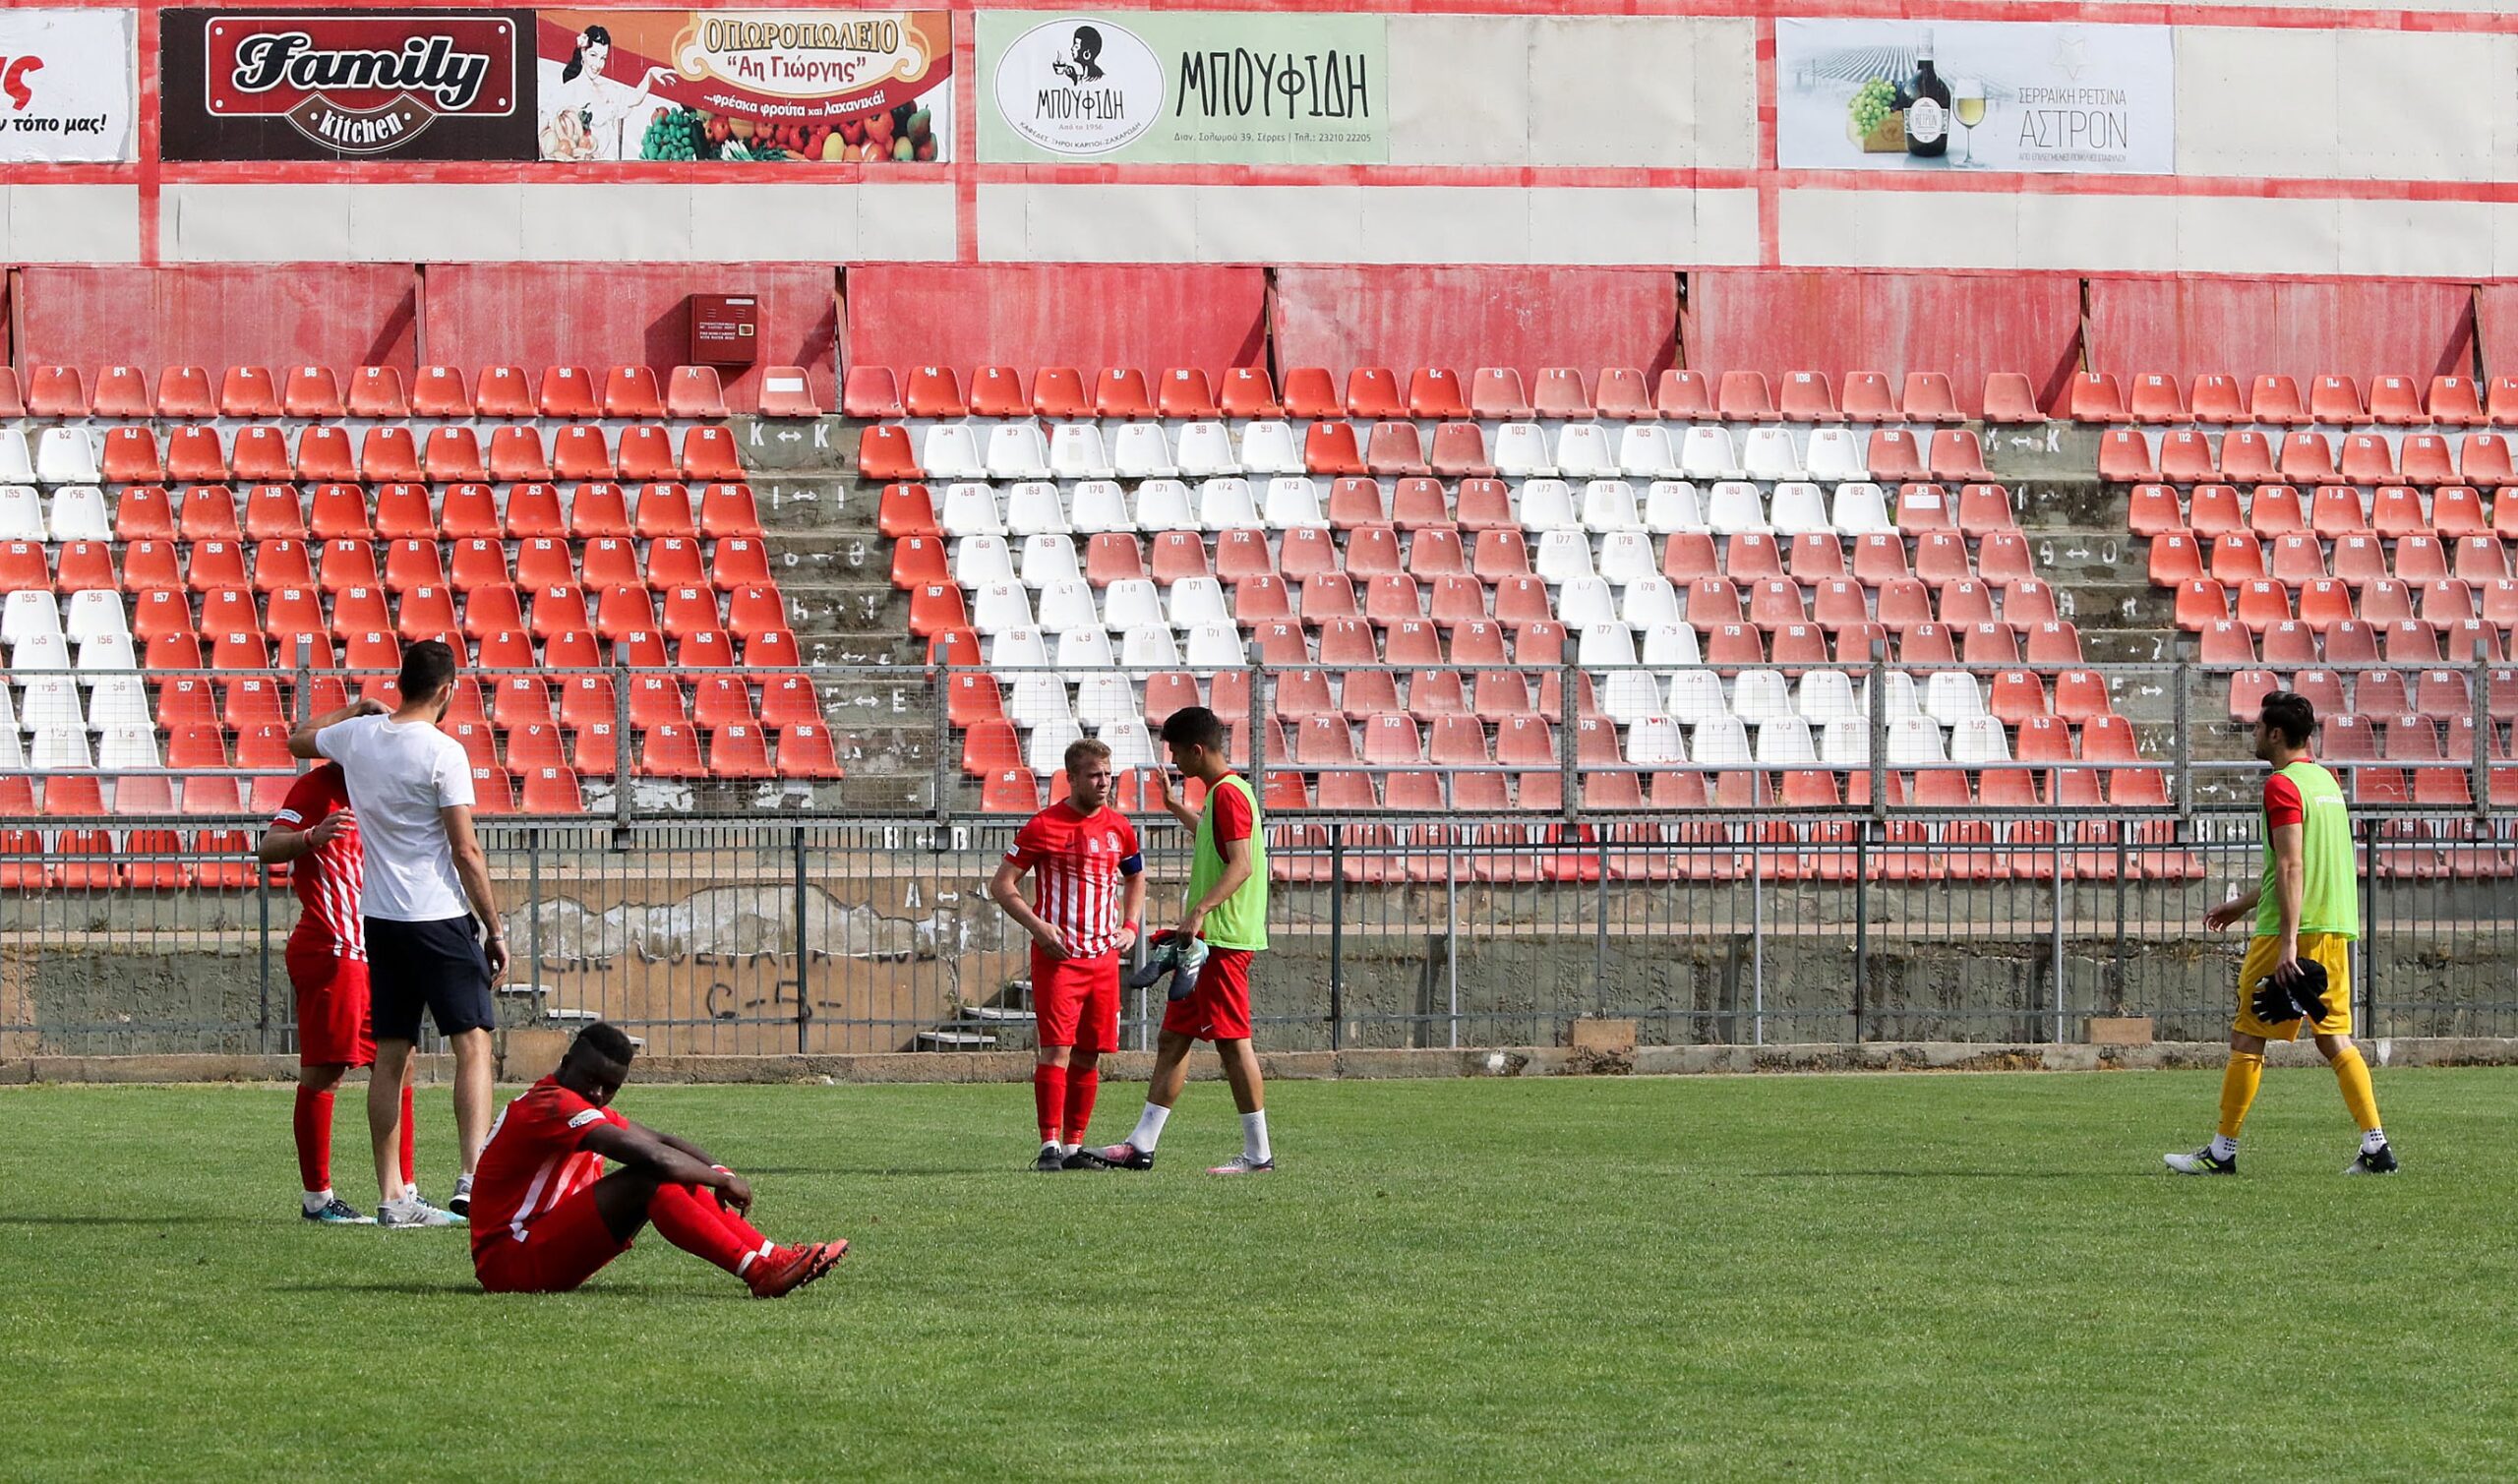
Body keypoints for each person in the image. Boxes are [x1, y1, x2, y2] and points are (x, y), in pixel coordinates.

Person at [289, 640, 509, 1227]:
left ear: (400, 682)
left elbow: (298, 739)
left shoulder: (360, 737)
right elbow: (465, 849)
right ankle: (473, 1179)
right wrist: (494, 926)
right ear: (447, 690)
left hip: (381, 921)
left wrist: (353, 709)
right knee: (473, 1044)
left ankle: (392, 1197)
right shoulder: (444, 751)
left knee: (391, 1054)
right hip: (437, 915)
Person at [2166, 691, 2399, 1176]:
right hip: (2332, 926)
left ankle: (2222, 1152)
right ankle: (2376, 1146)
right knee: (2334, 1037)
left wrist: (2287, 943)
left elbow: (2292, 866)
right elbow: (2297, 866)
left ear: (2275, 734)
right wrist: (2243, 903)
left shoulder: (2281, 785)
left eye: (2257, 727)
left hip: (2288, 931)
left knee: (2248, 1035)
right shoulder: (2325, 782)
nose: (2252, 733)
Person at [470, 1023, 846, 1297]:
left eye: (610, 1088)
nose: (597, 1094)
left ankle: (772, 1256)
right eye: (591, 1079)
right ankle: (760, 1270)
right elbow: (655, 1157)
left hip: (535, 1247)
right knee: (649, 1178)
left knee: (665, 1172)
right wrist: (723, 1182)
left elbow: (663, 1141)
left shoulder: (572, 1101)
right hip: (511, 1261)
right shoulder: (552, 1104)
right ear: (566, 1064)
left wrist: (720, 1170)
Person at [1098, 706, 1274, 1175]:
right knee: (1173, 1039)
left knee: (1232, 1042)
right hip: (1206, 943)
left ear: (1197, 750)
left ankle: (1259, 1155)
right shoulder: (1228, 793)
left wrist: (1199, 911)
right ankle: (1141, 1145)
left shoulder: (1229, 795)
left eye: (1176, 752)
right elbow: (1215, 842)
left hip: (1221, 941)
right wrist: (1175, 807)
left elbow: (1241, 865)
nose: (1173, 760)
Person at [259, 761, 418, 1224]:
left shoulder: (384, 782)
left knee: (400, 1063)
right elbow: (268, 847)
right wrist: (312, 836)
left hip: (377, 949)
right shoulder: (317, 786)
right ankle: (318, 1199)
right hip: (333, 948)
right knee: (325, 1070)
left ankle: (405, 1191)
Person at [989, 738, 1145, 1171]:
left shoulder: (1119, 827)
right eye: (1094, 775)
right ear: (1072, 778)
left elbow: (1135, 876)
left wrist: (1130, 925)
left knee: (1090, 1053)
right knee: (1056, 1050)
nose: (1104, 782)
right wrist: (1038, 927)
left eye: (1108, 774)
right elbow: (1002, 884)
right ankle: (1049, 1146)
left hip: (1103, 960)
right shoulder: (1044, 825)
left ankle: (1075, 1147)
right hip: (1058, 958)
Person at [539, 24, 678, 161]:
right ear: (583, 52)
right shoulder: (565, 92)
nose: (597, 64)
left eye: (603, 58)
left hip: (608, 171)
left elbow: (635, 98)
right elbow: (541, 131)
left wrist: (650, 74)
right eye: (593, 55)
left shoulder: (608, 89)